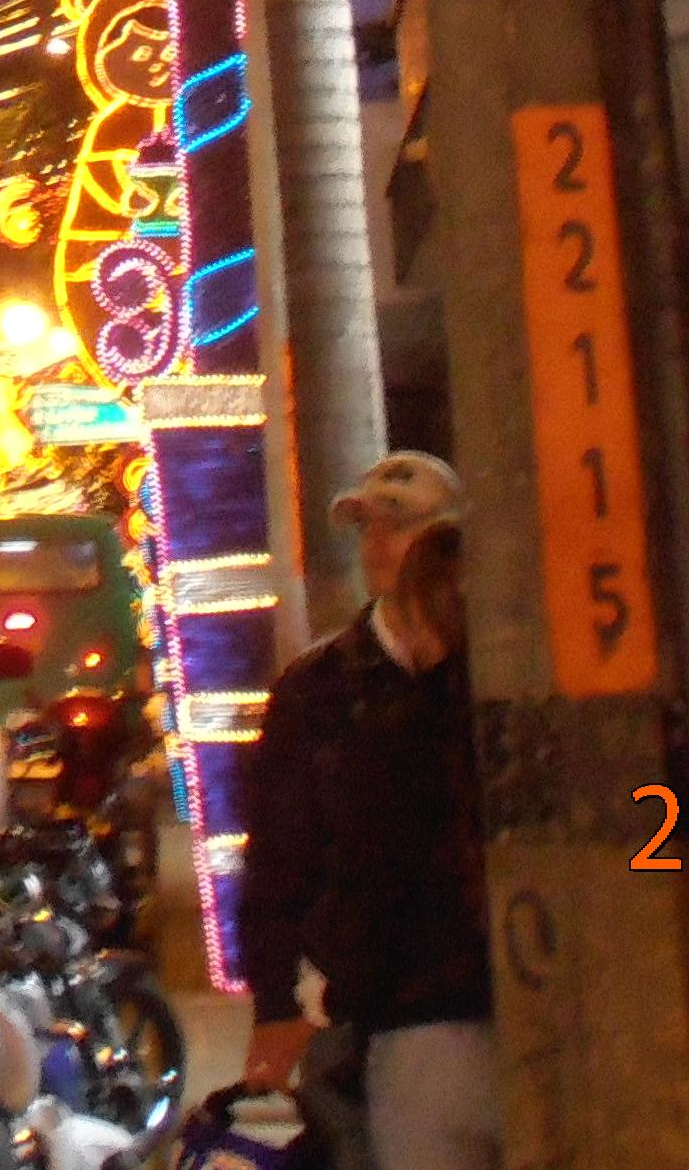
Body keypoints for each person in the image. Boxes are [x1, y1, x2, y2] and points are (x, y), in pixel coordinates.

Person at [238, 452, 494, 1170]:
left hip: (501, 1000)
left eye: (402, 527)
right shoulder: (319, 689)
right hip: (373, 1016)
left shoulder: (501, 672)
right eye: (367, 529)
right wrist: (277, 1004)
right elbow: (280, 862)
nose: (380, 546)